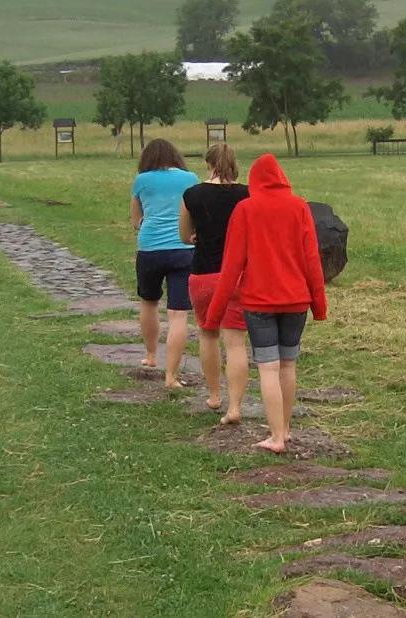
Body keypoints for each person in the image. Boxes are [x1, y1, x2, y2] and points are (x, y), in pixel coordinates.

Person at [201, 153, 326, 454]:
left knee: (268, 369)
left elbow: (231, 266)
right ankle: (285, 428)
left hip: (259, 303)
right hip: (296, 301)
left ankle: (276, 437)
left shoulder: (246, 209)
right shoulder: (299, 207)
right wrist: (319, 305)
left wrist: (213, 315)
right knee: (288, 365)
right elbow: (312, 260)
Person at [178, 144, 249, 421]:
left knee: (208, 334)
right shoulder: (246, 194)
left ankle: (213, 395)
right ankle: (235, 407)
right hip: (237, 277)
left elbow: (184, 236)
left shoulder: (192, 195)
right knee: (235, 343)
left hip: (204, 274)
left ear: (208, 164)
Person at [130, 139, 200, 389]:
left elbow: (136, 219)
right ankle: (171, 376)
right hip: (183, 249)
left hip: (150, 249)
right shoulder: (190, 178)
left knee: (149, 302)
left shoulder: (141, 180)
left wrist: (147, 226)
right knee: (178, 314)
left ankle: (150, 355)